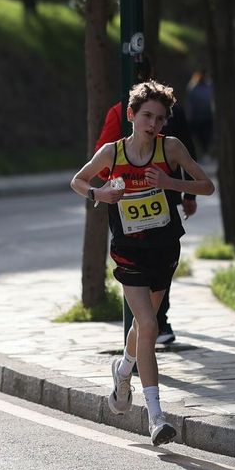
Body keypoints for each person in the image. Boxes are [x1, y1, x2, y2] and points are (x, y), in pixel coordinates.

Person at [71, 80, 215, 446]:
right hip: (129, 250)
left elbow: (207, 185)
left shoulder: (171, 148)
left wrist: (169, 181)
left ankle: (122, 370)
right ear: (131, 115)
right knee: (149, 324)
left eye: (160, 118)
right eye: (147, 116)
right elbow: (78, 180)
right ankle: (156, 418)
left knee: (144, 324)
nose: (153, 124)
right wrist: (99, 193)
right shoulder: (112, 153)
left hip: (164, 248)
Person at [184, 71, 214, 160]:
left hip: (206, 116)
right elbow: (189, 103)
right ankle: (198, 153)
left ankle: (205, 153)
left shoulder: (209, 86)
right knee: (198, 137)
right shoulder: (192, 87)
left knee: (206, 136)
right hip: (197, 117)